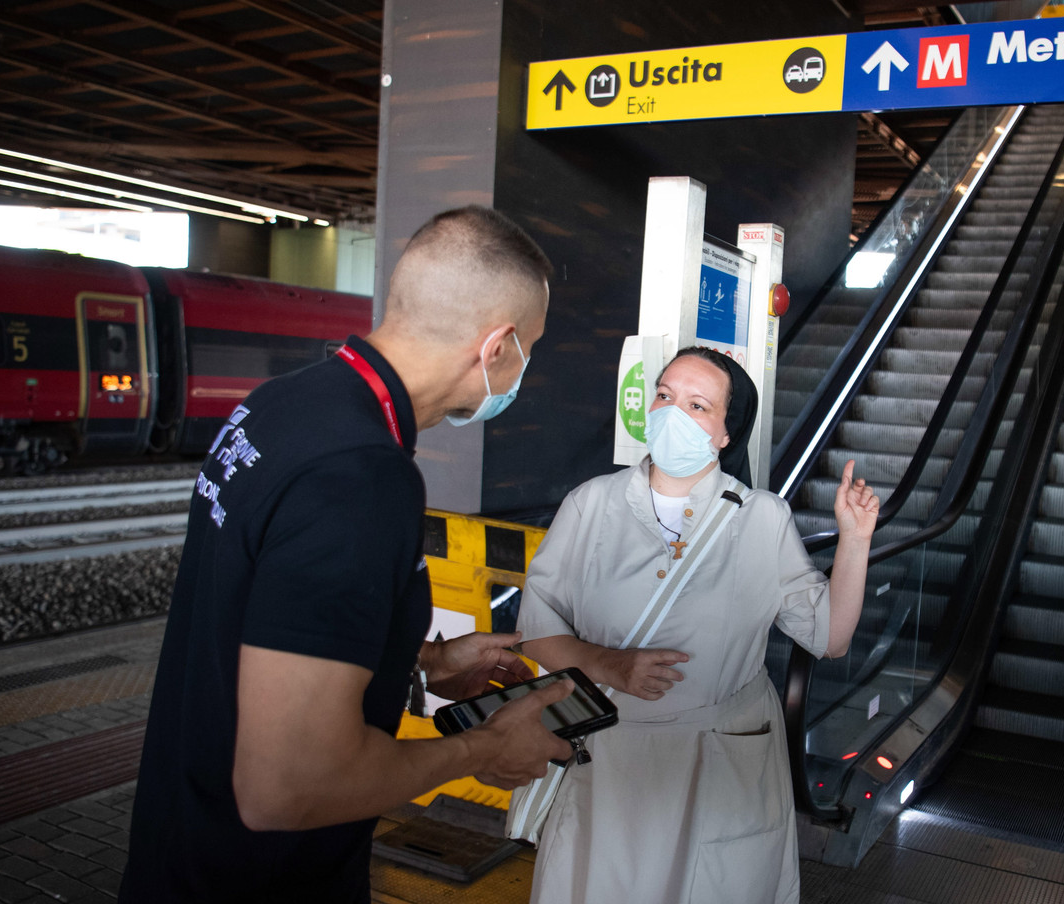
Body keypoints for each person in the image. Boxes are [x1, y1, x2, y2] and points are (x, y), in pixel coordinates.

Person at [119, 206, 575, 903]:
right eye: (530, 349)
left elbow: (263, 618)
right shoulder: (359, 475)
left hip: (181, 848)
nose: (523, 372)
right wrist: (484, 749)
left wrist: (420, 664)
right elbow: (285, 787)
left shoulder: (282, 406)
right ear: (498, 347)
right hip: (259, 881)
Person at [515, 346, 879, 904]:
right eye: (664, 395)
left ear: (725, 434)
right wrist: (606, 663)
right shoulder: (591, 505)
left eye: (697, 405)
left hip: (718, 760)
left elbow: (829, 638)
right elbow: (537, 627)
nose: (672, 413)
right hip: (609, 760)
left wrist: (855, 540)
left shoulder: (761, 518)